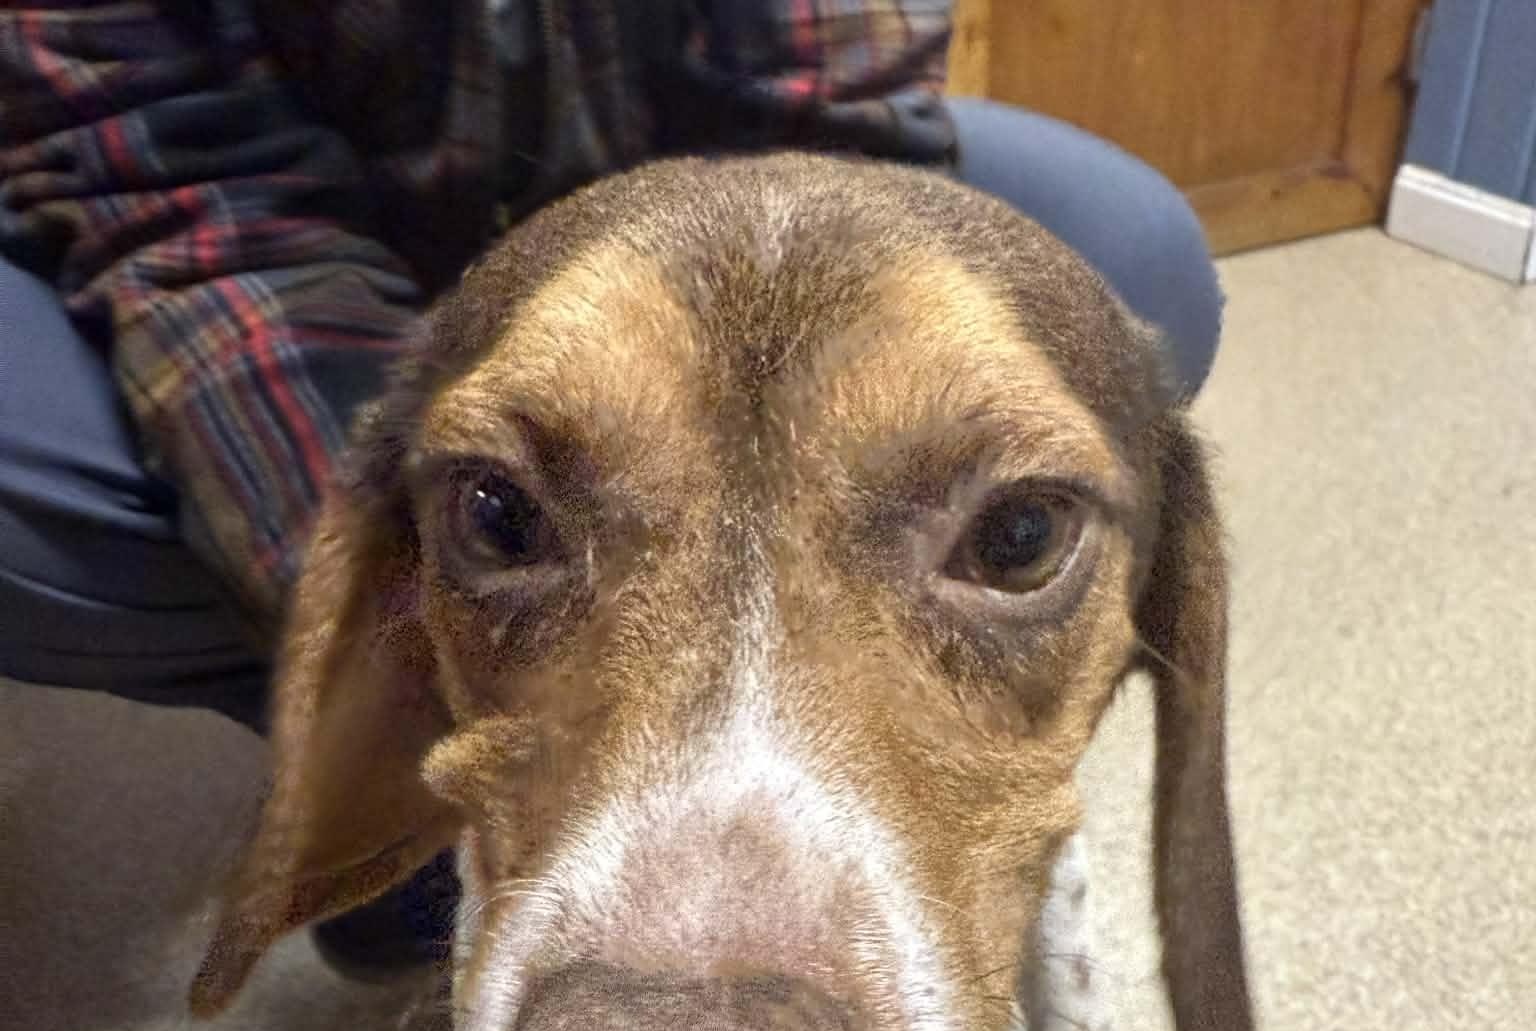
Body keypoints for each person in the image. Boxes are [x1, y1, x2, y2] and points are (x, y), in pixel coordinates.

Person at [0, 1, 1223, 978]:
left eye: (1010, 542)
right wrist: (455, 585)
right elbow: (177, 192)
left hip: (658, 246)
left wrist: (772, 409)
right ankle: (402, 781)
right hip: (250, 237)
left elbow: (832, 132)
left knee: (1135, 259)